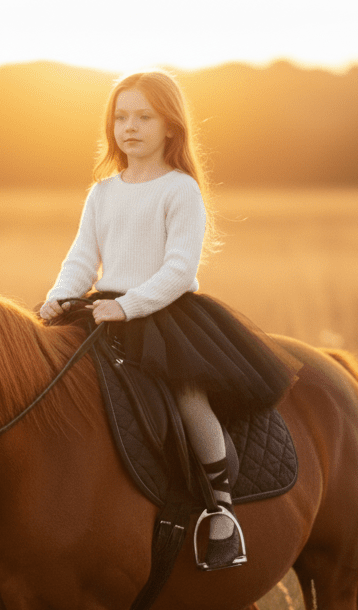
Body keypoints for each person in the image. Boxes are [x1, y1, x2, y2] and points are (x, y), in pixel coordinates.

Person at [40, 71, 295, 570]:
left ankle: (221, 508)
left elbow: (179, 270)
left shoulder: (180, 190)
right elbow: (81, 258)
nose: (129, 127)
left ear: (170, 127)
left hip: (163, 313)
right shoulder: (103, 192)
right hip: (102, 308)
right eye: (120, 117)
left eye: (143, 117)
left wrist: (127, 306)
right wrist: (59, 297)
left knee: (186, 392)